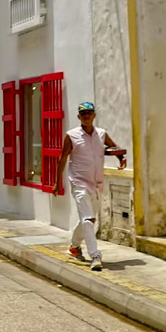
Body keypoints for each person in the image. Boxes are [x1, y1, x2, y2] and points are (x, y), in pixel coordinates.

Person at [54, 102, 126, 272]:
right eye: (83, 113)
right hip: (79, 182)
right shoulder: (71, 135)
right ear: (78, 117)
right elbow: (62, 158)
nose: (86, 115)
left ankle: (74, 247)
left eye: (89, 112)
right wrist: (58, 182)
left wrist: (121, 158)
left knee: (88, 219)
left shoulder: (101, 134)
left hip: (97, 184)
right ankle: (95, 255)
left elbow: (114, 147)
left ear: (94, 115)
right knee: (89, 219)